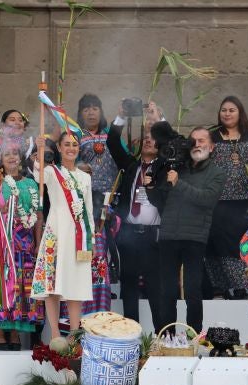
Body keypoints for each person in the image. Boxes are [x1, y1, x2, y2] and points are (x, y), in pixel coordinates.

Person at [0, 141, 44, 351]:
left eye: (15, 153)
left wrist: (38, 244)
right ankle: (0, 333)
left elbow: (38, 216)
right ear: (0, 161)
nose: (12, 157)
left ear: (21, 158)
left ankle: (14, 332)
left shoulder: (31, 184)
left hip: (24, 245)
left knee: (19, 287)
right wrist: (0, 206)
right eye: (7, 155)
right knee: (0, 285)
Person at [157, 127, 226, 333]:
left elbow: (207, 200)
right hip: (169, 235)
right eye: (193, 140)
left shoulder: (217, 173)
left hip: (194, 238)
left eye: (202, 140)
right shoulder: (178, 167)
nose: (197, 144)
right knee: (167, 290)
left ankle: (192, 337)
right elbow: (161, 200)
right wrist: (152, 185)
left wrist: (178, 183)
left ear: (211, 147)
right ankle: (166, 337)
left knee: (192, 290)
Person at [106, 103, 166, 333]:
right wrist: (121, 116)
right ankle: (132, 336)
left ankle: (162, 337)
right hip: (129, 234)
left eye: (154, 137)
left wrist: (157, 118)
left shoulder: (165, 168)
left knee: (155, 289)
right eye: (146, 137)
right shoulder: (131, 166)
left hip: (154, 237)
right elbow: (112, 143)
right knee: (128, 287)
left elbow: (173, 143)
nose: (149, 140)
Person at [31, 132, 94, 339]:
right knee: (52, 284)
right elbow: (39, 176)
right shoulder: (52, 171)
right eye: (66, 144)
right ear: (58, 148)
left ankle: (75, 334)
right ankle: (56, 334)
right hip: (56, 233)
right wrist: (40, 150)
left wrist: (90, 239)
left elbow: (90, 211)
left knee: (75, 282)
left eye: (74, 144)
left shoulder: (85, 177)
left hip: (78, 236)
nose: (71, 148)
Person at [206, 96, 248, 299]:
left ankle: (242, 288)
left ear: (240, 113)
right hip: (218, 202)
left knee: (242, 244)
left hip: (245, 202)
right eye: (224, 110)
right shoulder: (212, 136)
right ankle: (220, 288)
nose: (227, 114)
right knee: (218, 244)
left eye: (232, 110)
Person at [76, 94, 119, 222]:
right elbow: (69, 162)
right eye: (86, 110)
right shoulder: (76, 135)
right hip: (87, 195)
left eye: (95, 109)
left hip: (111, 195)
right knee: (92, 231)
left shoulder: (110, 133)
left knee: (108, 229)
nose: (91, 113)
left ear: (101, 112)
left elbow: (124, 155)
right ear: (80, 114)